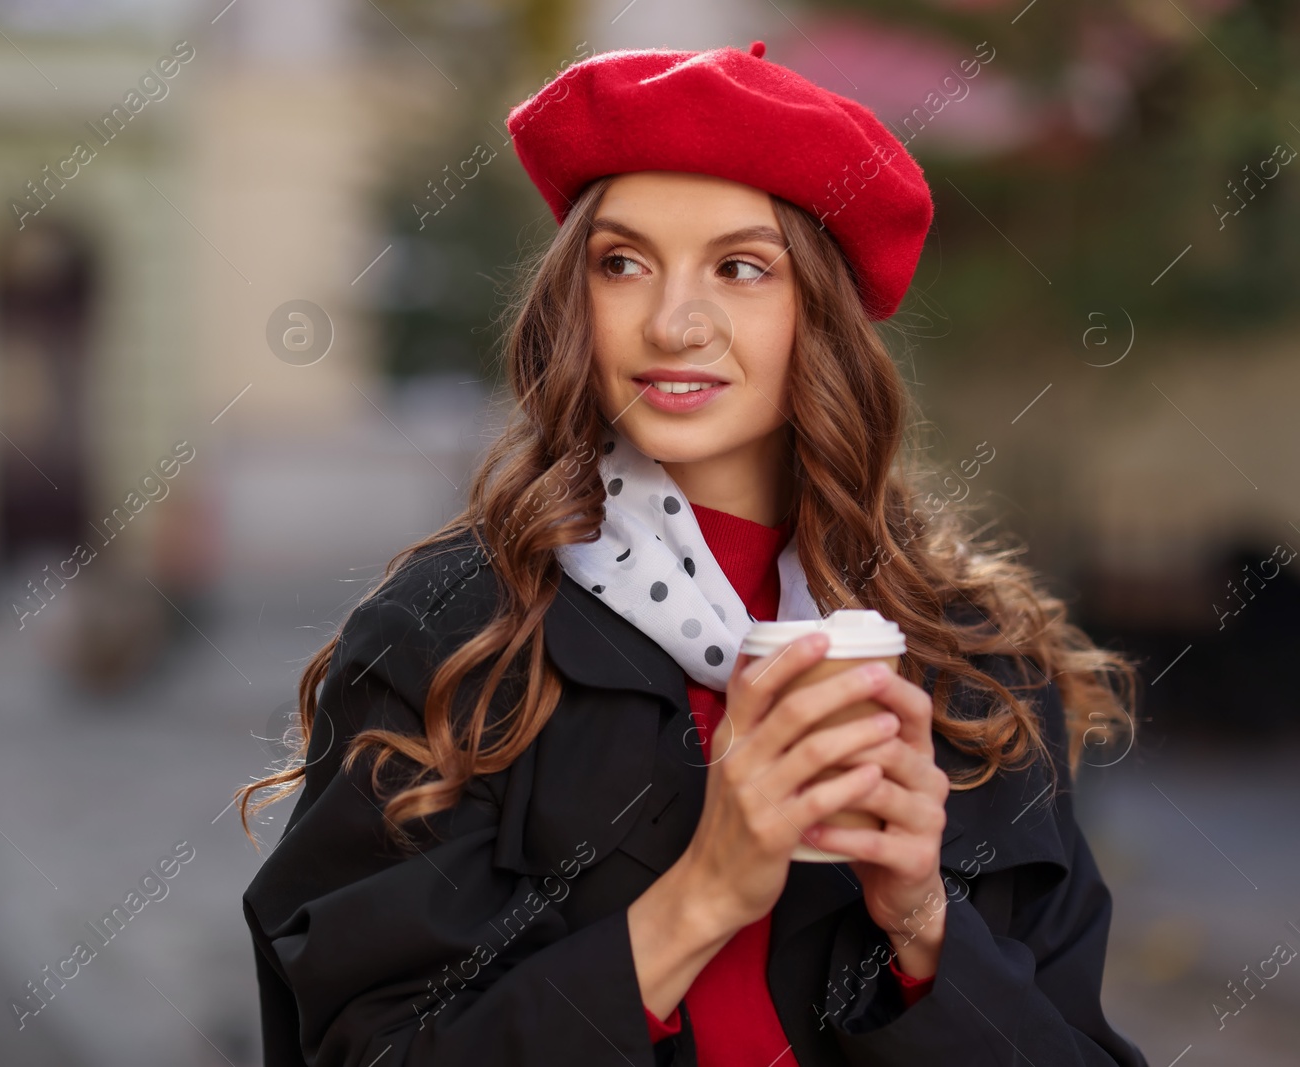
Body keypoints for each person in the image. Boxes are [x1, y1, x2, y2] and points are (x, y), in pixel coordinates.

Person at [234, 39, 1149, 1067]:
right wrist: (704, 891)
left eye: (740, 267)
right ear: (574, 303)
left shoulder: (976, 660)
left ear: (820, 316)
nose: (673, 322)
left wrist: (924, 923)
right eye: (621, 262)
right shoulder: (448, 639)